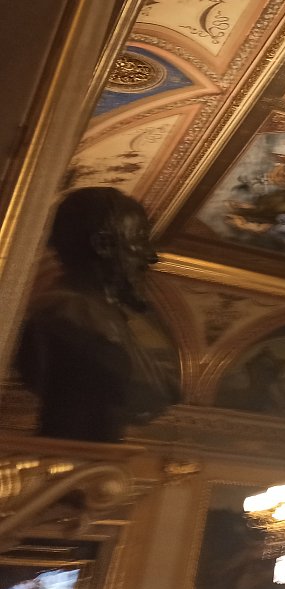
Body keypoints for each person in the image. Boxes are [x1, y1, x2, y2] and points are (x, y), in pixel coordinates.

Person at [17, 187, 179, 442]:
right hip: (72, 452)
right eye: (139, 239)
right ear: (103, 245)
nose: (151, 256)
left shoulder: (105, 318)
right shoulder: (67, 315)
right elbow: (144, 392)